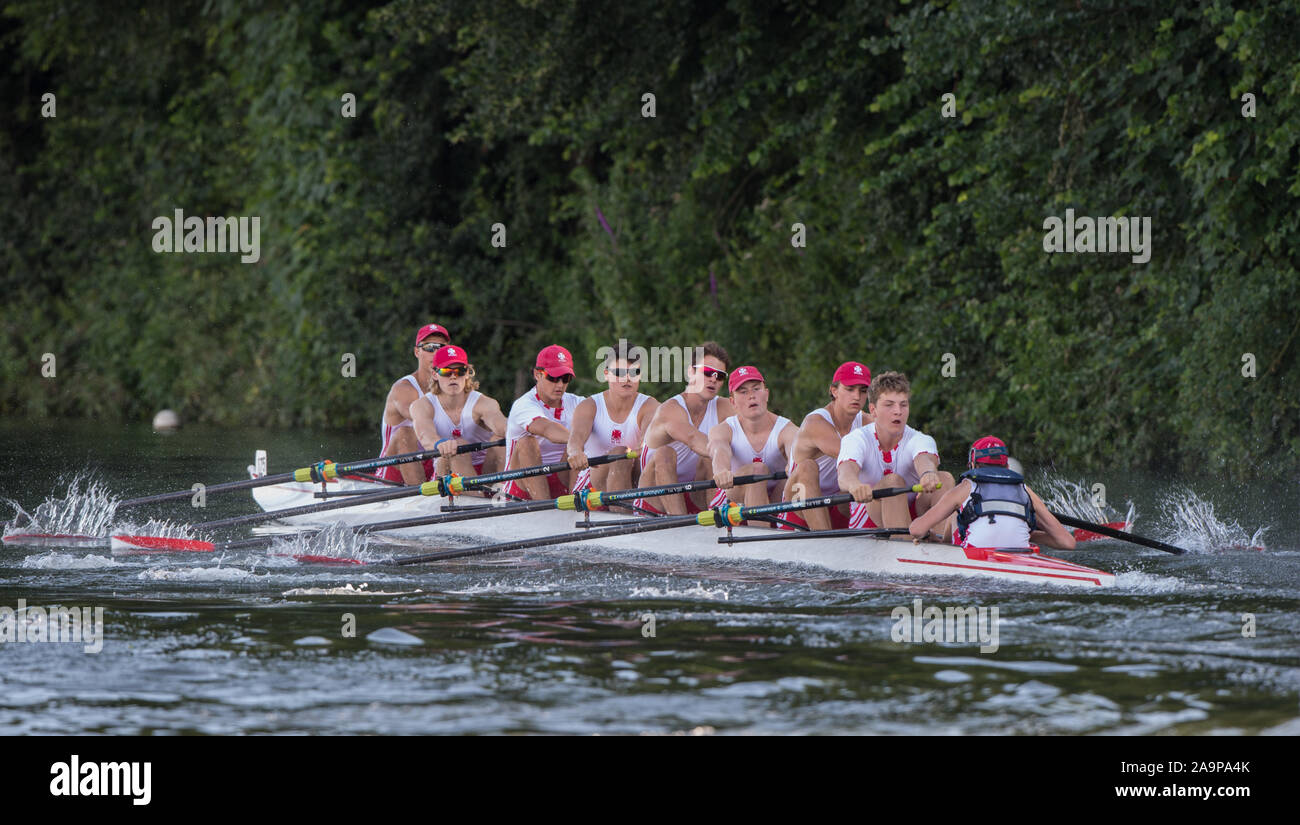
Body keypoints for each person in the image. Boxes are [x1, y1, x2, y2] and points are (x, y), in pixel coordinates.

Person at [836, 371, 955, 537]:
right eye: (889, 405)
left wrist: (928, 474)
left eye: (903, 405)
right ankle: (908, 548)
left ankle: (942, 547)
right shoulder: (856, 439)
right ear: (873, 410)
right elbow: (845, 473)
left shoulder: (920, 439)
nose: (898, 411)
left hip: (913, 514)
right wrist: (854, 485)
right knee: (893, 481)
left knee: (945, 478)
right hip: (868, 520)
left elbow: (925, 460)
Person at [908, 436, 1076, 551]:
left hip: (974, 555)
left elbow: (916, 529)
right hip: (1020, 553)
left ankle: (945, 543)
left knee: (956, 511)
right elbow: (1067, 542)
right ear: (1007, 467)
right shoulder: (1026, 491)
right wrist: (1030, 535)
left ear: (972, 465)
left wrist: (928, 536)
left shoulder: (964, 488)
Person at [636, 342, 736, 514]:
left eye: (719, 376)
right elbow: (693, 440)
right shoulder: (671, 409)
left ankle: (717, 519)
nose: (713, 379)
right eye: (707, 372)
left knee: (711, 456)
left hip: (693, 495)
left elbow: (762, 427)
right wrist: (723, 462)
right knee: (666, 453)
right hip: (655, 499)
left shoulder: (724, 407)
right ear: (691, 372)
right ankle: (680, 524)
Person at [781, 361, 873, 530]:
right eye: (850, 389)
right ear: (834, 390)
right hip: (798, 504)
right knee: (807, 467)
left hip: (837, 503)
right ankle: (825, 539)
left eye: (863, 391)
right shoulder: (815, 422)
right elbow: (848, 454)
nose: (857, 396)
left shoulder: (867, 421)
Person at [409, 344, 507, 487]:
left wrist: (519, 430)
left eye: (459, 371)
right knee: (458, 445)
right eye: (446, 371)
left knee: (500, 440)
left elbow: (502, 425)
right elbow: (426, 436)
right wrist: (439, 444)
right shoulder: (422, 406)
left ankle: (505, 493)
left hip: (486, 471)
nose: (453, 376)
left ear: (467, 373)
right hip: (447, 472)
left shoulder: (485, 403)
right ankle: (478, 499)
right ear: (435, 374)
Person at [567, 348, 659, 493]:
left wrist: (645, 445)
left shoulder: (650, 406)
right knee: (620, 452)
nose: (627, 378)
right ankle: (627, 511)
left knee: (645, 456)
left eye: (634, 373)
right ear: (606, 374)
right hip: (594, 480)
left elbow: (648, 438)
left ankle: (626, 510)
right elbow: (576, 437)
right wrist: (574, 452)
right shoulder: (589, 406)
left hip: (633, 476)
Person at [707, 366, 796, 513]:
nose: (751, 396)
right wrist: (721, 470)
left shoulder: (787, 429)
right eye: (743, 392)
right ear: (733, 402)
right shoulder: (723, 429)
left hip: (776, 499)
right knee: (758, 470)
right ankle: (761, 532)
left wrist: (794, 463)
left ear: (766, 394)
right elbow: (718, 449)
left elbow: (796, 449)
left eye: (756, 389)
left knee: (799, 471)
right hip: (734, 502)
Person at [503, 344, 585, 500]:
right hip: (522, 485)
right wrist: (576, 442)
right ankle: (544, 505)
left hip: (561, 478)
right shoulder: (524, 404)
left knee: (583, 439)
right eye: (553, 378)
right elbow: (547, 429)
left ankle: (577, 503)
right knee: (527, 442)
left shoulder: (578, 403)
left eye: (565, 378)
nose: (560, 385)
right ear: (537, 374)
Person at [378, 323, 449, 484]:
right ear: (417, 352)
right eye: (430, 347)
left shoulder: (454, 387)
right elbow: (422, 420)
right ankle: (422, 497)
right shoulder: (404, 389)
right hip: (395, 469)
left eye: (441, 348)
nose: (436, 353)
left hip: (432, 462)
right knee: (405, 433)